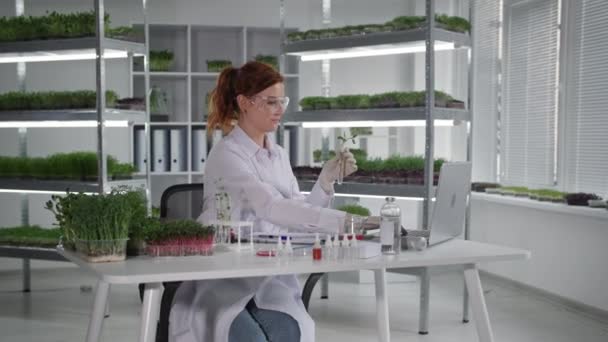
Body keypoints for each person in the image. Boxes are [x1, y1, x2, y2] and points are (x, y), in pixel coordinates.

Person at [169, 61, 358, 342]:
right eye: (271, 102)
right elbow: (270, 206)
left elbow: (299, 216)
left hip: (269, 277)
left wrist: (324, 182)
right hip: (224, 277)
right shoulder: (227, 155)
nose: (280, 109)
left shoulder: (278, 154)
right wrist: (347, 221)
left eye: (282, 100)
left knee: (290, 331)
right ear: (244, 103)